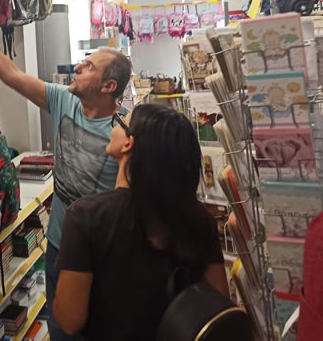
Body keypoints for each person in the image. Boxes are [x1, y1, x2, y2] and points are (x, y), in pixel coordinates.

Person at [0, 6, 133, 341]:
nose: (77, 67)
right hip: (61, 244)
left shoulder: (126, 130)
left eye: (88, 67)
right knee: (61, 329)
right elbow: (13, 76)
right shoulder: (64, 100)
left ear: (108, 86)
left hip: (104, 253)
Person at [53, 104, 228, 341]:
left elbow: (69, 320)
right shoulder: (199, 220)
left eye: (120, 122)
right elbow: (218, 303)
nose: (113, 127)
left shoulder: (85, 216)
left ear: (128, 144)